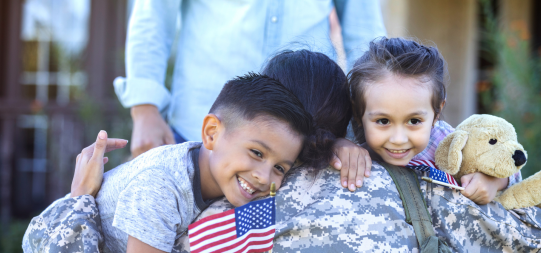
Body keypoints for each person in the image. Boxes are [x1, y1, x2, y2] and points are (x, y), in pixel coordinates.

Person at [24, 50, 541, 253]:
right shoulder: (426, 191)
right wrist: (494, 180)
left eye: (414, 122)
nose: (399, 135)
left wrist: (491, 175)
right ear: (354, 118)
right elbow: (526, 247)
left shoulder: (235, 211)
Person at [20, 73, 321, 253]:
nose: (264, 176)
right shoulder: (162, 185)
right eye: (256, 152)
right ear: (211, 133)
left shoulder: (222, 177)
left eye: (280, 168)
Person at [115, 0, 386, 159]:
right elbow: (153, 17)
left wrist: (361, 129)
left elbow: (364, 35)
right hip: (200, 132)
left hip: (308, 140)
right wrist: (145, 110)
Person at [349, 37, 522, 205]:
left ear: (437, 112)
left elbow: (512, 169)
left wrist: (493, 181)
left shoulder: (448, 143)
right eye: (383, 121)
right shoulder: (351, 146)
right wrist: (340, 147)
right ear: (358, 113)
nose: (399, 139)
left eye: (414, 121)